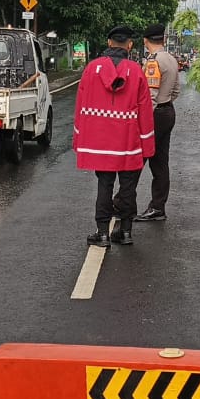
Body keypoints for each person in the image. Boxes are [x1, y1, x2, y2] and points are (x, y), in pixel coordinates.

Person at [74, 26, 155, 246]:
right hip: (128, 141)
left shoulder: (91, 69)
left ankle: (102, 234)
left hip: (100, 143)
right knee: (128, 186)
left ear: (109, 43)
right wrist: (148, 145)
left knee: (104, 184)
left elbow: (80, 107)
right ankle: (126, 232)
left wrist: (78, 139)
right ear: (129, 45)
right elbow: (145, 112)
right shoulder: (136, 71)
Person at [137, 23, 181, 223]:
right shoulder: (171, 59)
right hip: (168, 111)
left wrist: (143, 120)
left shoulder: (153, 62)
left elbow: (150, 96)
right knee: (160, 162)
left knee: (138, 160)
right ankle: (158, 207)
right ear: (163, 39)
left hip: (154, 115)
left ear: (146, 41)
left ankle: (121, 203)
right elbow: (176, 92)